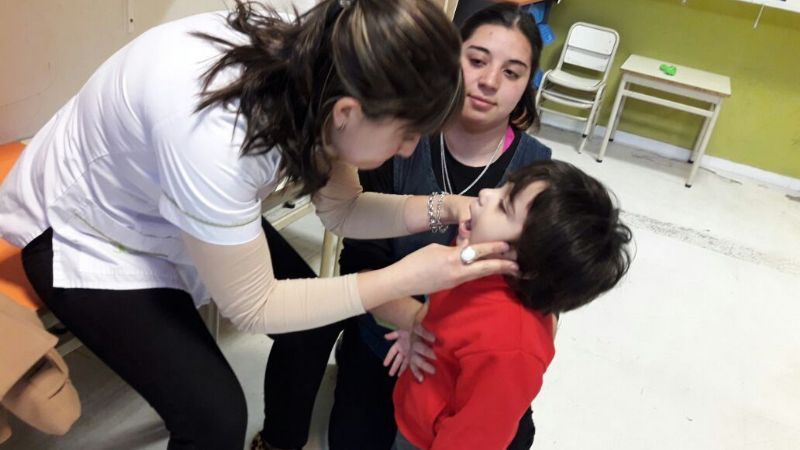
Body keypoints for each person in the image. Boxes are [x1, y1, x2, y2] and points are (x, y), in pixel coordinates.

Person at [0, 1, 519, 449]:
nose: (409, 150)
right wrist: (407, 280)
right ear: (346, 112)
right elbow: (251, 305)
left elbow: (341, 210)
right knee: (215, 420)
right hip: (85, 229)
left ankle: (279, 442)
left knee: (314, 326)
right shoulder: (215, 136)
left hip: (168, 199)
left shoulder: (335, 66)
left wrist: (446, 208)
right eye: (406, 135)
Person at [257, 4, 550, 450]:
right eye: (476, 61)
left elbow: (542, 284)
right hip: (387, 332)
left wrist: (481, 353)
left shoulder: (537, 171)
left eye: (512, 72)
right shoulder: (392, 132)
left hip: (470, 354)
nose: (489, 81)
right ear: (450, 60)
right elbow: (353, 245)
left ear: (528, 83)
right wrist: (417, 320)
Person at [391, 160, 634, 450]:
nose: (484, 195)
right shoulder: (471, 261)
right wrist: (417, 324)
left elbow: (476, 438)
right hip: (415, 408)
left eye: (504, 206)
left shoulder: (511, 348)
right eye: (502, 189)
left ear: (526, 264)